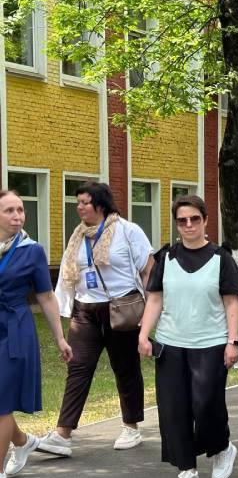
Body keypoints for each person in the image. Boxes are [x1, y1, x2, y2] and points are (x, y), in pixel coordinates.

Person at [138, 195, 238, 478]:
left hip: (210, 344)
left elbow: (231, 303)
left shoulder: (221, 258)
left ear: (206, 220)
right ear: (176, 224)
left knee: (206, 405)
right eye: (182, 220)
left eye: (194, 219)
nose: (188, 225)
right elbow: (155, 298)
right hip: (171, 344)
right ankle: (187, 472)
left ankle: (221, 446)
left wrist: (232, 342)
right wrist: (144, 334)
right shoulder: (167, 258)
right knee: (174, 411)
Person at [46, 182, 153, 456]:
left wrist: (151, 310)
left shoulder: (127, 231)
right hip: (85, 310)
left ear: (100, 205)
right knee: (78, 368)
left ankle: (131, 426)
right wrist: (63, 310)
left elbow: (147, 270)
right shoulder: (78, 236)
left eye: (85, 202)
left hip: (121, 308)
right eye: (78, 203)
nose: (79, 207)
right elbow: (70, 275)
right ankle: (63, 434)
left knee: (125, 368)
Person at [1, 190, 73, 478]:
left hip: (14, 329)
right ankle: (22, 441)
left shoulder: (32, 251)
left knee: (2, 402)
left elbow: (45, 296)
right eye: (9, 210)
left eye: (20, 210)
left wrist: (60, 337)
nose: (17, 216)